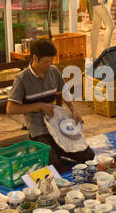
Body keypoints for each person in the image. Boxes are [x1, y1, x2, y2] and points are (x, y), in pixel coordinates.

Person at [6, 39, 94, 173]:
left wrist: (74, 111)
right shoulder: (22, 78)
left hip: (57, 126)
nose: (49, 65)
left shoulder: (53, 71)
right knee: (54, 164)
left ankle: (57, 151)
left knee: (88, 156)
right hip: (38, 130)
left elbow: (66, 93)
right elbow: (10, 109)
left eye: (51, 61)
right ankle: (52, 153)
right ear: (35, 58)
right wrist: (40, 105)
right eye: (46, 62)